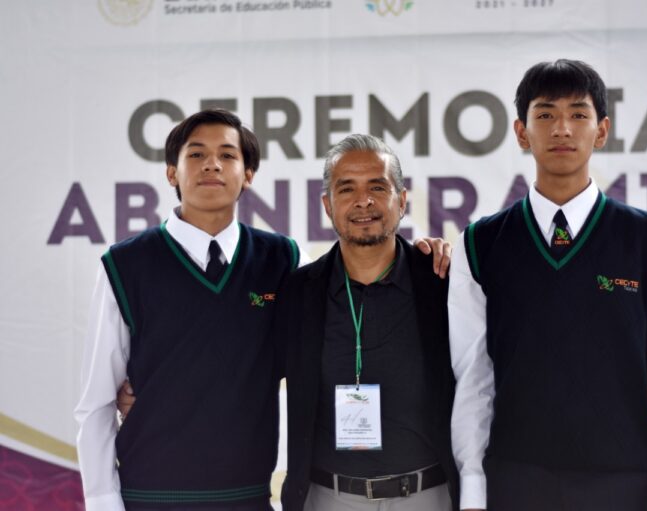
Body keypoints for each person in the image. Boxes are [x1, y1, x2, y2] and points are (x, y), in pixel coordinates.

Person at [76, 110, 450, 511]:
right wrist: (103, 502)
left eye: (228, 155)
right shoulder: (125, 264)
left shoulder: (283, 260)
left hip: (248, 498)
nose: (212, 165)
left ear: (249, 174)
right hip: (150, 498)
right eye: (197, 154)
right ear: (172, 173)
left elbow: (358, 274)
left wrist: (424, 253)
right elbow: (96, 404)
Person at [449, 59, 647, 511]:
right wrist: (473, 486)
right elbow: (474, 380)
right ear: (521, 132)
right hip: (515, 480)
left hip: (624, 482)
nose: (562, 128)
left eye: (579, 114)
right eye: (545, 114)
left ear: (602, 130)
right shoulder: (480, 243)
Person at [276, 134, 459, 511]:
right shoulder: (298, 292)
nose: (364, 201)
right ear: (327, 205)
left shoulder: (443, 283)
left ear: (402, 200)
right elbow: (245, 372)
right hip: (329, 499)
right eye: (347, 189)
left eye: (378, 186)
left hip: (429, 497)